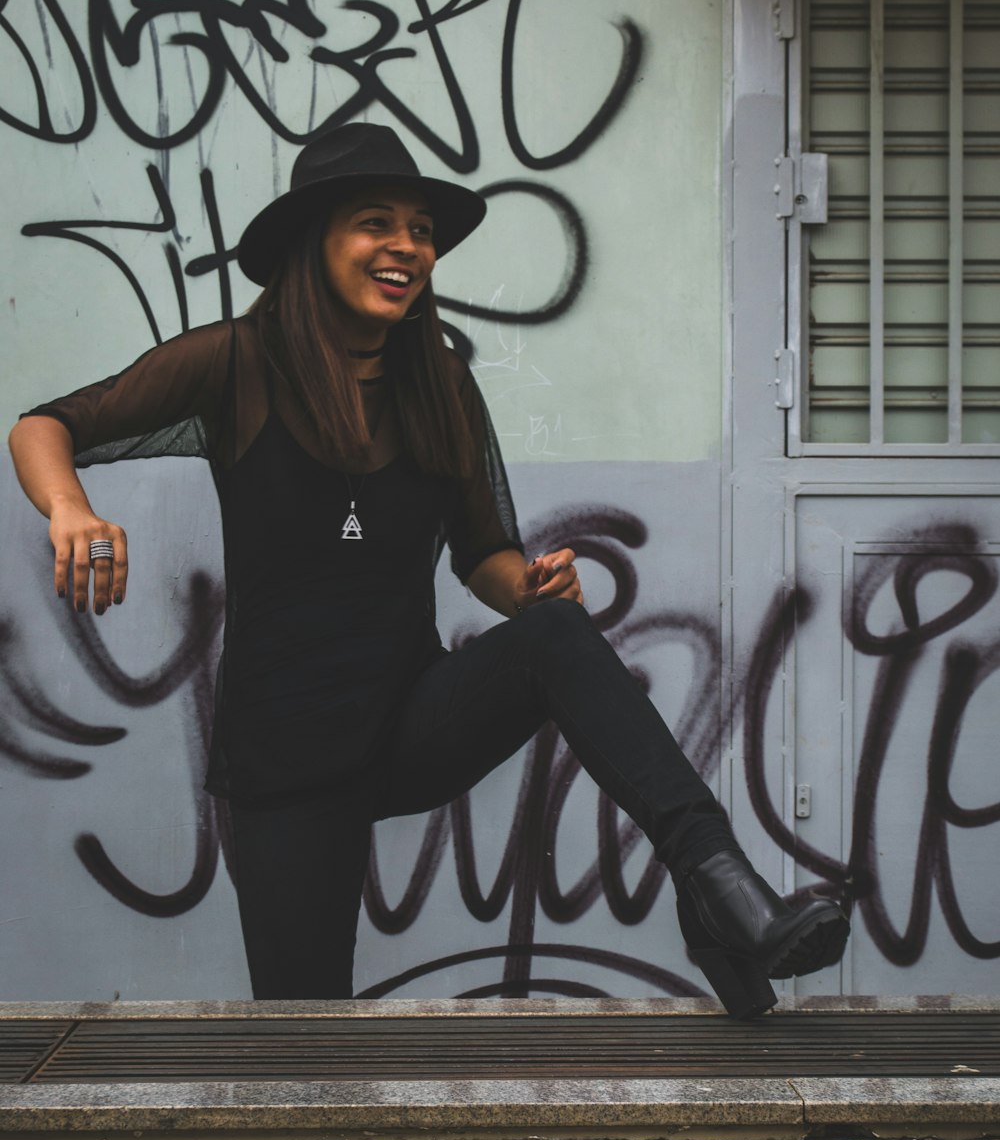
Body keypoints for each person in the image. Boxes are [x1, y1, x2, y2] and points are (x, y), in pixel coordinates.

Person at [8, 122, 849, 1018]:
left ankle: (714, 881)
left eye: (421, 231)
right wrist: (70, 508)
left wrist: (528, 590)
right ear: (312, 241)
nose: (407, 248)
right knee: (306, 1035)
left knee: (555, 632)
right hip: (285, 761)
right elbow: (45, 426)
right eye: (378, 223)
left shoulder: (438, 377)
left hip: (408, 721)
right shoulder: (237, 363)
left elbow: (483, 550)